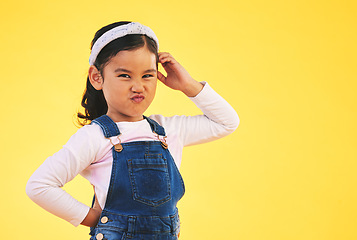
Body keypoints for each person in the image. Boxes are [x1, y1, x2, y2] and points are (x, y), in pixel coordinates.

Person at [26, 21, 239, 240]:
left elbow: (226, 122)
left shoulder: (167, 131)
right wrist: (94, 219)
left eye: (148, 75)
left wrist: (188, 85)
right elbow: (39, 185)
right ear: (97, 77)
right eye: (125, 76)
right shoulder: (94, 137)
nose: (138, 86)